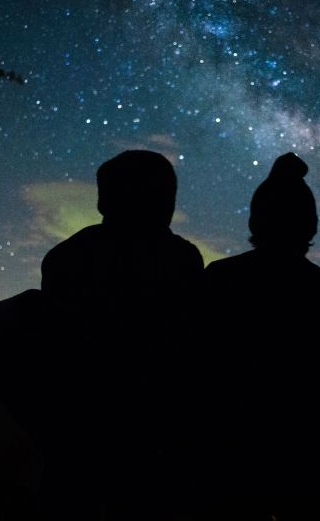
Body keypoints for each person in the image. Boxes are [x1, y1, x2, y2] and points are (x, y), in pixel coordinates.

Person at [37, 149, 204, 504]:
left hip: (78, 422)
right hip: (152, 424)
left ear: (103, 198)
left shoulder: (67, 257)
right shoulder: (182, 259)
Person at [199, 152, 320, 497]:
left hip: (219, 454)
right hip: (300, 459)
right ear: (310, 225)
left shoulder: (219, 280)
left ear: (256, 221)